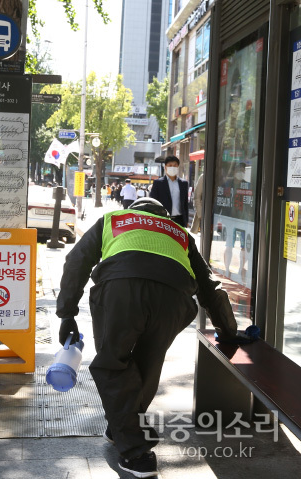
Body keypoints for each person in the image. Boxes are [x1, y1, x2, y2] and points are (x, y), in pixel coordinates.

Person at [56, 197, 238, 478]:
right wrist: (229, 331)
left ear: (134, 211)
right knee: (147, 364)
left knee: (112, 364)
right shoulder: (180, 233)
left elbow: (76, 261)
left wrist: (67, 313)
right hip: (174, 300)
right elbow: (210, 287)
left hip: (121, 290)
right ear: (163, 215)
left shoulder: (112, 219)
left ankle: (137, 453)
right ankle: (122, 426)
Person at [150, 155, 189, 227]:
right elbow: (153, 202)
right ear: (165, 167)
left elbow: (185, 203)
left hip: (179, 220)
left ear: (178, 167)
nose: (173, 167)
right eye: (170, 165)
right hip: (163, 219)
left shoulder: (183, 183)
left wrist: (186, 220)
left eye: (175, 165)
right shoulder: (158, 183)